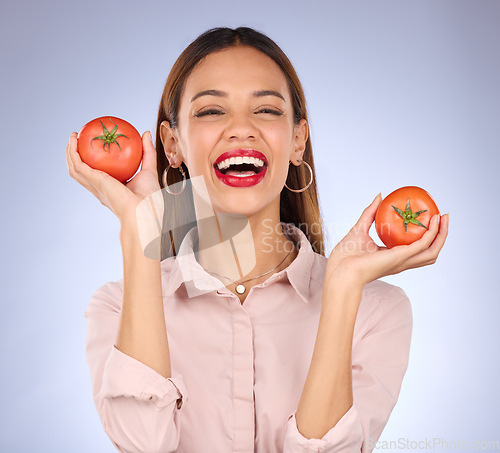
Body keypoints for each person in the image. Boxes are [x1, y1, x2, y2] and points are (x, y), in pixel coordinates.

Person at [66, 27, 449, 453]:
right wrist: (142, 232)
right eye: (211, 111)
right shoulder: (116, 308)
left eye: (266, 110)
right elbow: (142, 444)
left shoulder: (378, 310)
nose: (241, 129)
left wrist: (341, 291)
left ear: (297, 140)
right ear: (172, 144)